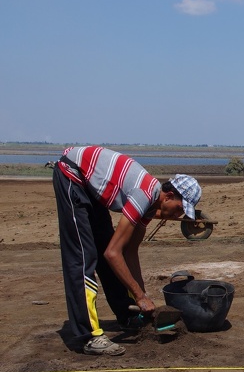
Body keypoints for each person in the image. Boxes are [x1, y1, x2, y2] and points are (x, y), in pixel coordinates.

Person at [53, 146, 201, 356]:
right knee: (83, 258)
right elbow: (113, 253)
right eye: (179, 209)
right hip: (72, 175)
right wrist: (140, 296)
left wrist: (142, 296)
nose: (178, 216)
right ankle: (88, 336)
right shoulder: (144, 195)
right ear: (168, 196)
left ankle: (128, 315)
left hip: (89, 188)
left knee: (107, 249)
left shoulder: (150, 207)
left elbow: (130, 252)